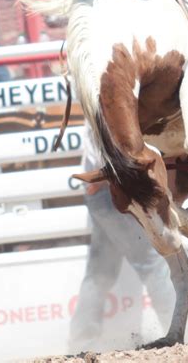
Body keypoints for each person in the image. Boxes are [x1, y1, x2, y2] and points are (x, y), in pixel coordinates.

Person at [68, 124, 174, 353]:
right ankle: (178, 328)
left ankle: (81, 342)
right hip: (114, 188)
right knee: (152, 262)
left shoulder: (100, 100)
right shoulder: (110, 103)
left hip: (103, 191)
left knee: (100, 272)